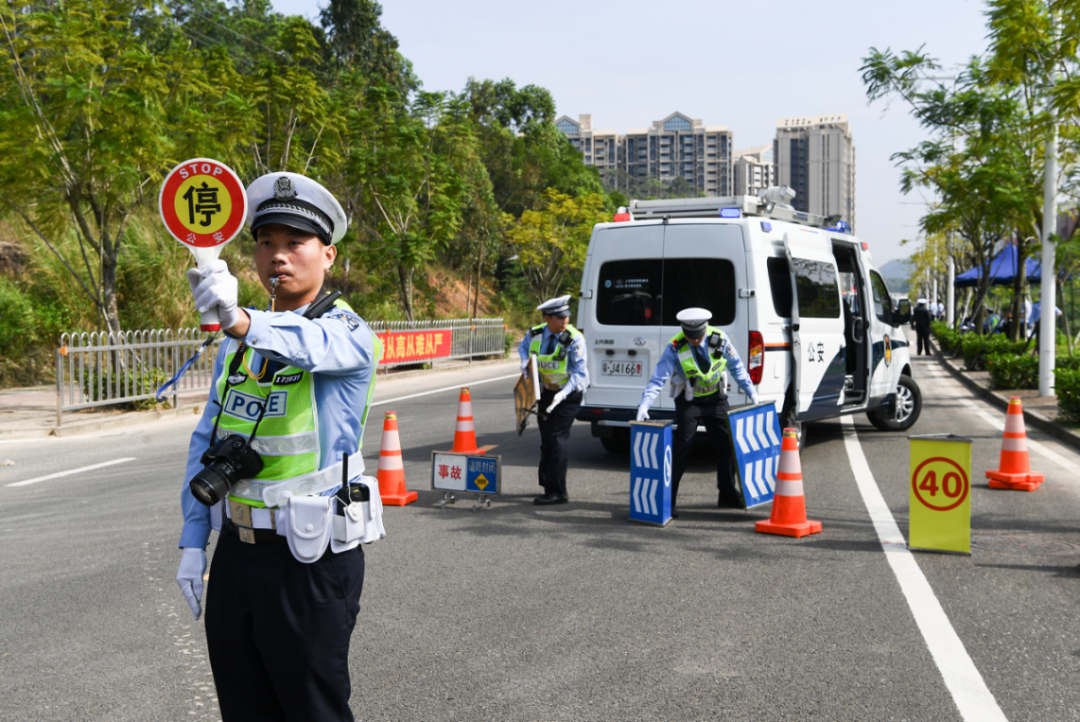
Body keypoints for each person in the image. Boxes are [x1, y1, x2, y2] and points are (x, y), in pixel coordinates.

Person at [175, 172, 384, 721]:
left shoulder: (348, 333)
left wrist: (240, 318)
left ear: (328, 254)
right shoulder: (238, 344)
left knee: (313, 711)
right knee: (244, 711)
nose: (278, 256)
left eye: (295, 242)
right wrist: (194, 539)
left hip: (309, 559)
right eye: (266, 242)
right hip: (238, 554)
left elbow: (311, 344)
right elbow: (209, 440)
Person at [635, 308, 761, 518]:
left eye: (698, 336)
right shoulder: (674, 346)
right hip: (689, 399)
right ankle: (668, 501)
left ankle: (728, 495)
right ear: (683, 331)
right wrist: (644, 404)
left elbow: (737, 367)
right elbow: (659, 378)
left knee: (726, 445)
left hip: (715, 398)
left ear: (705, 329)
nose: (694, 340)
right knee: (683, 444)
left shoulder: (720, 339)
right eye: (690, 336)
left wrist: (753, 394)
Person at [517, 295, 589, 505]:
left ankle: (557, 492)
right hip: (546, 393)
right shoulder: (535, 333)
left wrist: (562, 394)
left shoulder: (574, 338)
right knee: (547, 439)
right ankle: (547, 481)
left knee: (558, 438)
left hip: (569, 393)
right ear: (547, 318)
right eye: (559, 317)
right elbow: (523, 348)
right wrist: (524, 363)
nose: (564, 321)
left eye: (566, 316)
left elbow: (579, 372)